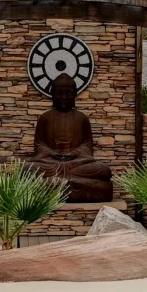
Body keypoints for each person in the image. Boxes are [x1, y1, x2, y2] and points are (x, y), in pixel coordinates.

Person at [29, 72, 115, 200]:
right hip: (51, 163)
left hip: (75, 163)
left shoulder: (82, 118)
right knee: (28, 169)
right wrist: (51, 153)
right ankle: (75, 185)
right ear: (53, 94)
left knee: (103, 170)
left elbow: (87, 146)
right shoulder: (45, 118)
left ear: (74, 94)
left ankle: (55, 186)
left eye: (68, 93)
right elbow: (39, 145)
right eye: (60, 92)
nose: (64, 97)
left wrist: (74, 153)